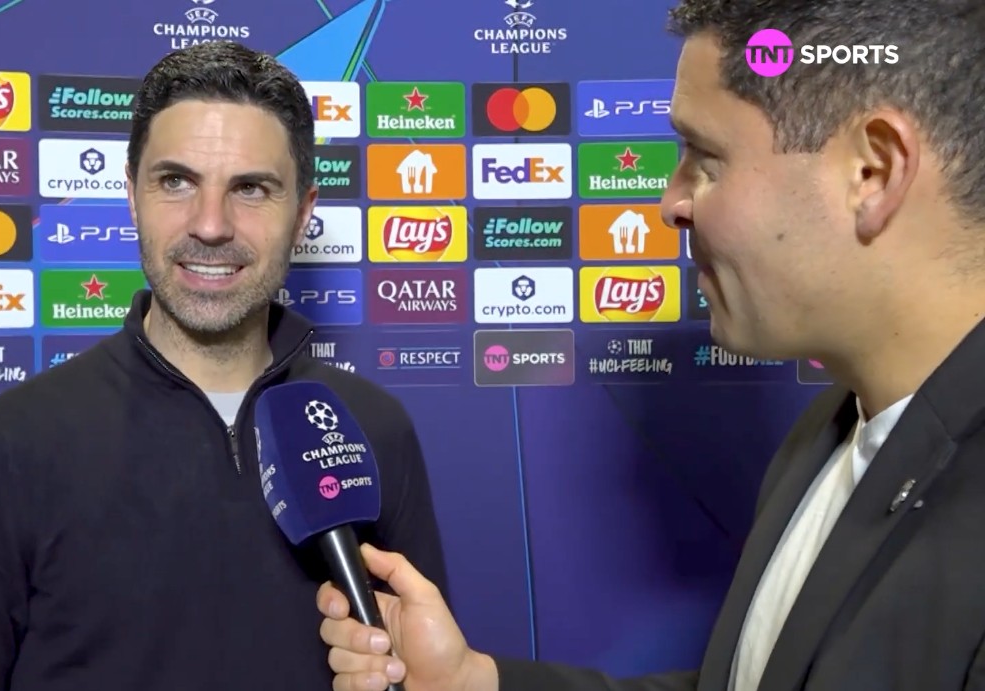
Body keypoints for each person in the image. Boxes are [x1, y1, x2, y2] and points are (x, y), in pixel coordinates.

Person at [315, 0, 985, 689]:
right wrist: (474, 681)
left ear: (872, 172)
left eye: (706, 157)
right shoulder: (828, 432)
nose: (671, 203)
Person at [0, 41, 450, 690]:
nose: (210, 225)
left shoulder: (374, 428)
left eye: (251, 188)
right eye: (176, 181)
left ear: (302, 214)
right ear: (132, 196)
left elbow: (431, 673)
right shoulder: (9, 444)